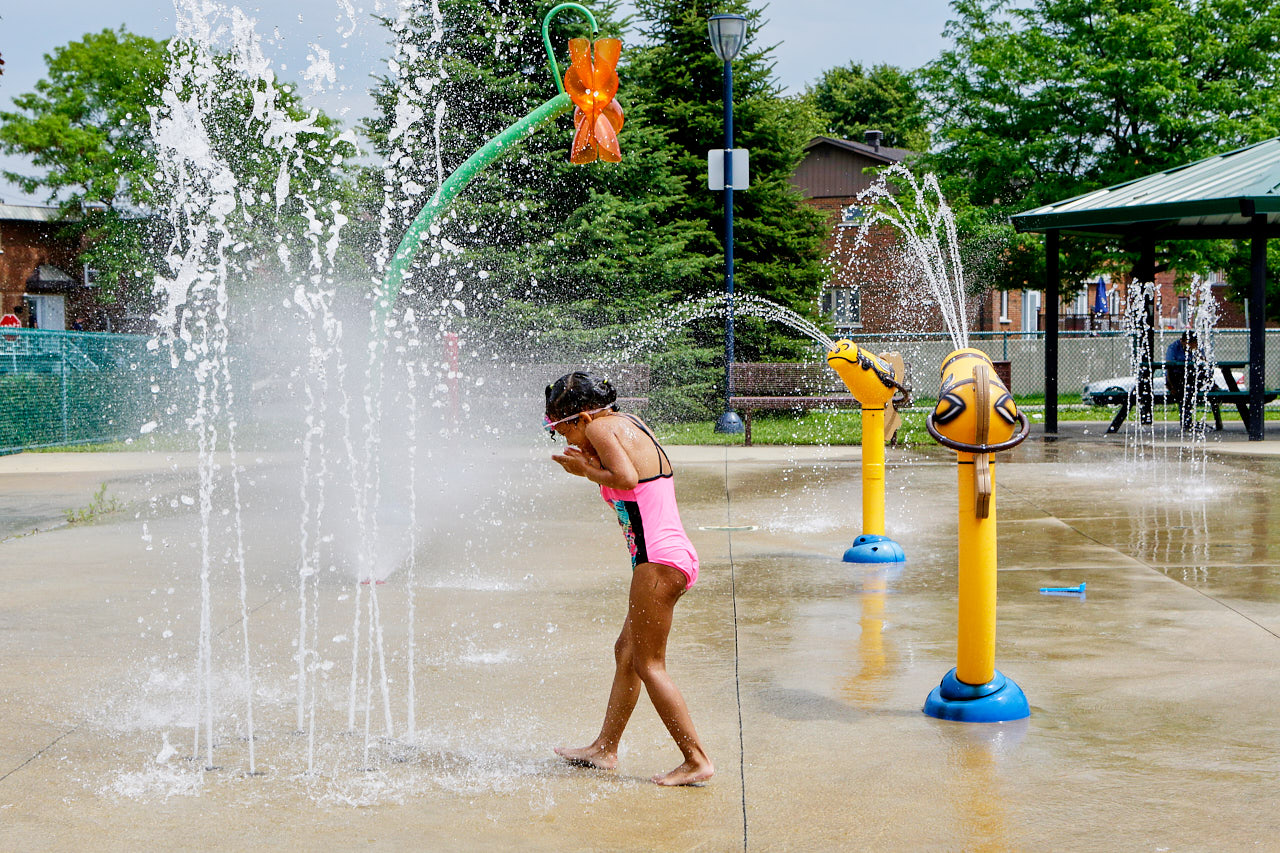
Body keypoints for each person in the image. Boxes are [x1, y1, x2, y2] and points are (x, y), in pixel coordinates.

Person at [544, 371, 714, 787]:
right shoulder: (627, 422)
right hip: (668, 556)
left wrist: (585, 471)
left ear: (584, 416)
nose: (564, 438)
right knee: (626, 651)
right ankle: (605, 748)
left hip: (657, 562)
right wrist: (590, 465)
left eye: (562, 429)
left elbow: (626, 479)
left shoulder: (600, 429)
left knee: (649, 664)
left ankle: (696, 760)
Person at [1165, 331, 1203, 429]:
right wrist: (1171, 386)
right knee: (1185, 391)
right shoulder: (1173, 347)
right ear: (1182, 341)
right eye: (1188, 342)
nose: (1191, 345)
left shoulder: (1197, 347)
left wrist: (1198, 354)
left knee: (1198, 376)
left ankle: (1187, 421)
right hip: (1176, 378)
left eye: (1193, 342)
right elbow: (1169, 367)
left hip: (1191, 377)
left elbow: (1204, 362)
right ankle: (1186, 421)